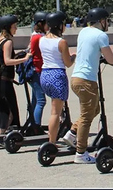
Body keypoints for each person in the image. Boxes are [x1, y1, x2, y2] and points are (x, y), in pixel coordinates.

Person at [63, 8, 113, 164]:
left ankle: (72, 132)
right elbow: (110, 59)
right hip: (87, 80)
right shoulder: (101, 35)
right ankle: (81, 154)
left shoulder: (84, 32)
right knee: (87, 117)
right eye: (106, 21)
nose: (107, 24)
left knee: (94, 109)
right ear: (101, 21)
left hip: (76, 77)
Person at [39, 11, 76, 145]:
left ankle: (54, 138)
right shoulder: (61, 42)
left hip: (45, 74)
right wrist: (73, 57)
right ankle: (52, 142)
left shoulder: (42, 39)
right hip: (57, 75)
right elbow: (67, 63)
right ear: (59, 25)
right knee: (55, 112)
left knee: (54, 108)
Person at [0, 15, 32, 136]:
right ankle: (2, 135)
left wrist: (19, 55)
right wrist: (24, 59)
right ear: (7, 28)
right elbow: (7, 61)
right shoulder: (8, 42)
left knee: (0, 108)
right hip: (5, 80)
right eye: (14, 26)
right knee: (9, 109)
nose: (16, 28)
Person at [28, 11, 49, 126]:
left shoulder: (35, 36)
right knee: (41, 100)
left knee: (35, 100)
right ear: (41, 24)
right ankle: (36, 126)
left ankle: (33, 123)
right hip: (37, 71)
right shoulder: (39, 38)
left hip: (36, 70)